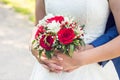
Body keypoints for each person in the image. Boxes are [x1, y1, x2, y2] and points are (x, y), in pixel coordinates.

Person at [30, 0, 120, 80]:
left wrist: (81, 59)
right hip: (48, 71)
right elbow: (39, 25)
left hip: (90, 70)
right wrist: (34, 47)